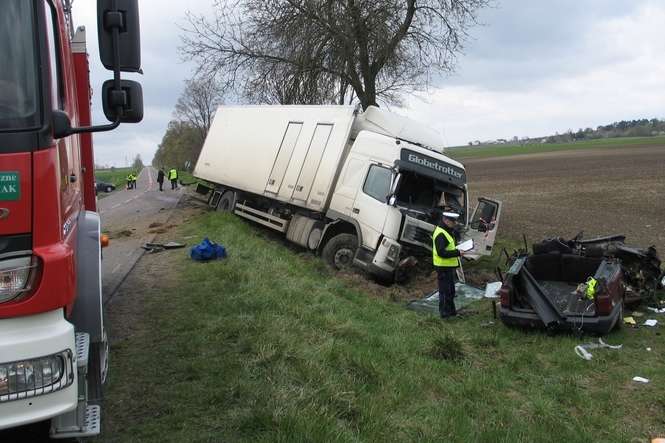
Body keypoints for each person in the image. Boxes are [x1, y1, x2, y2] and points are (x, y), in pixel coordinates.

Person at [432, 210, 464, 318]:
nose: (454, 223)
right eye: (452, 221)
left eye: (454, 221)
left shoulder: (447, 230)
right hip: (443, 267)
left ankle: (451, 312)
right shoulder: (441, 233)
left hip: (448, 266)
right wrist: (457, 252)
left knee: (450, 291)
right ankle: (445, 315)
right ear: (445, 220)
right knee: (445, 292)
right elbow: (441, 252)